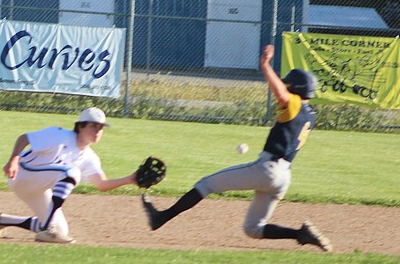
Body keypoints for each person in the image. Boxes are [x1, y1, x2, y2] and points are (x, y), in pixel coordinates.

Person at [141, 44, 331, 252]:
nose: (284, 86)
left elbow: (282, 95)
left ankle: (161, 217)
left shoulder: (294, 103)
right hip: (283, 176)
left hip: (267, 169)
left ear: (295, 88)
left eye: (288, 84)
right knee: (253, 229)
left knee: (206, 184)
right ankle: (300, 234)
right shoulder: (310, 114)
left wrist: (265, 65)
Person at [0, 106, 142, 244]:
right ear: (80, 126)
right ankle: (47, 230)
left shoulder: (90, 157)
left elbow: (101, 184)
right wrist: (13, 159)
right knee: (71, 172)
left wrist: (130, 179)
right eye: (93, 126)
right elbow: (24, 138)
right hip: (22, 174)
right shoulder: (59, 135)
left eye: (101, 128)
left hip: (37, 188)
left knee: (61, 230)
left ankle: (0, 220)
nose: (98, 131)